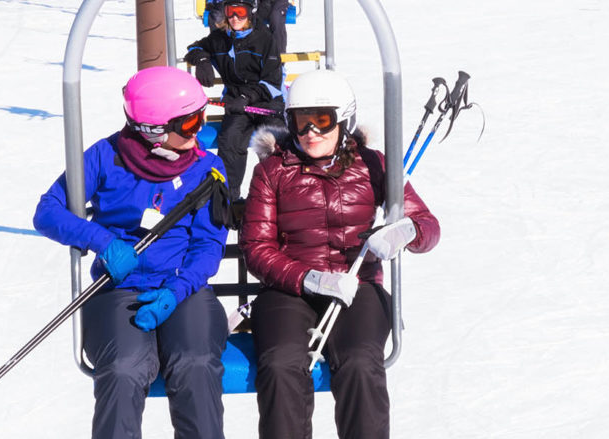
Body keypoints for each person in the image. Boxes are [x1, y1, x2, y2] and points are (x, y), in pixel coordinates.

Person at [240, 69, 441, 439]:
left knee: (360, 364)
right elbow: (256, 248)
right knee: (281, 364)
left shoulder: (373, 165)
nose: (311, 132)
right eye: (301, 122)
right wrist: (309, 278)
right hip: (290, 290)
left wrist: (406, 232)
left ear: (343, 120)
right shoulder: (273, 171)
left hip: (357, 287)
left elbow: (428, 225)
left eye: (322, 120)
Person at [32, 66, 230, 439]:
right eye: (189, 124)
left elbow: (208, 243)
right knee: (124, 368)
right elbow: (48, 212)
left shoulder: (207, 168)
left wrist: (180, 288)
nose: (200, 131)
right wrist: (102, 241)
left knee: (195, 363)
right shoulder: (105, 157)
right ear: (153, 129)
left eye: (201, 118)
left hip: (183, 289)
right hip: (119, 288)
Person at [185, 0, 285, 201]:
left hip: (266, 104)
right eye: (230, 12)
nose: (235, 18)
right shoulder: (220, 39)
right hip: (238, 106)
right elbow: (195, 48)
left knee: (276, 143)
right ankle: (229, 200)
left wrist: (246, 97)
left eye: (240, 12)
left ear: (249, 12)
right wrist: (203, 60)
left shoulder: (265, 39)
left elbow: (273, 81)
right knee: (230, 139)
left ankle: (280, 194)